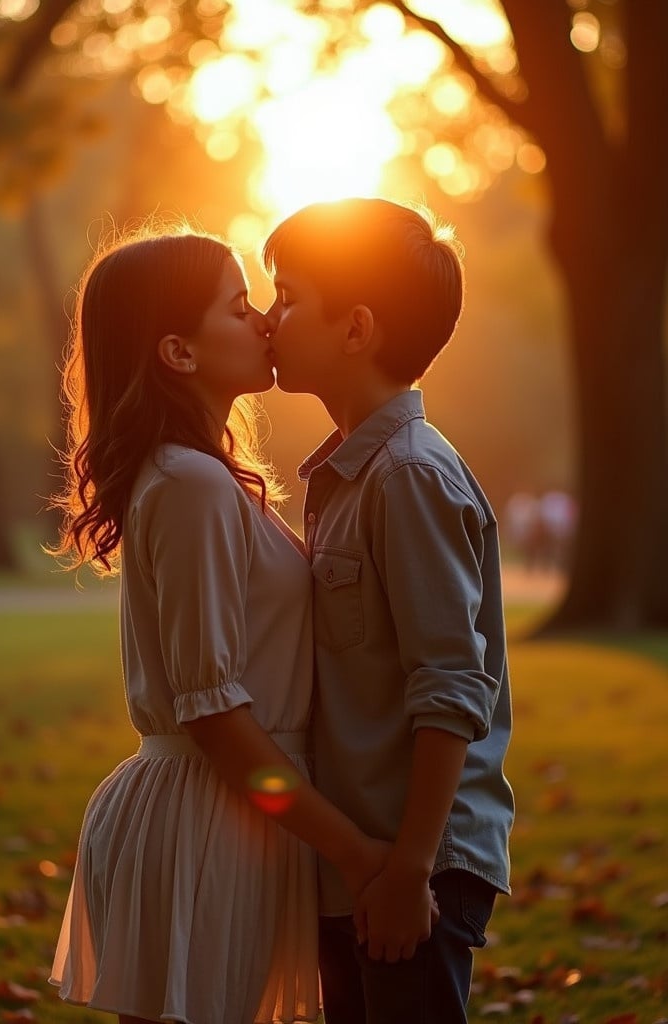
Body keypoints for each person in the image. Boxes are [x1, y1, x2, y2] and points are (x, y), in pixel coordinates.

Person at [47, 229, 391, 1024]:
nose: (266, 321)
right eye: (239, 309)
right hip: (208, 821)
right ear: (179, 351)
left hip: (236, 816)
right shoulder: (192, 484)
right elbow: (213, 712)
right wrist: (350, 850)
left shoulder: (202, 479)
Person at [263, 198, 514, 1024]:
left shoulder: (407, 477)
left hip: (418, 863)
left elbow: (449, 686)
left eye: (288, 295)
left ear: (355, 328)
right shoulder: (345, 476)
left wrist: (410, 870)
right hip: (363, 856)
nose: (269, 317)